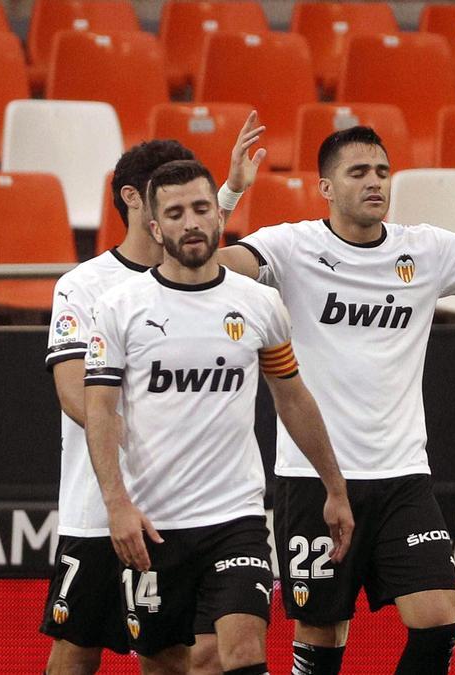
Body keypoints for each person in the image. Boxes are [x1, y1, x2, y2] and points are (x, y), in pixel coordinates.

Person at [215, 114, 455, 674]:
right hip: (312, 477)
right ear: (325, 188)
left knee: (438, 620)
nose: (375, 182)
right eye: (358, 173)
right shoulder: (290, 246)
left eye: (382, 171)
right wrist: (229, 194)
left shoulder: (424, 251)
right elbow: (204, 265)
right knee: (322, 637)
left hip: (402, 476)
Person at [83, 159, 354, 674]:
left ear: (219, 215)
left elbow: (292, 397)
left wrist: (335, 488)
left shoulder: (259, 303)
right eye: (177, 212)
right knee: (167, 665)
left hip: (237, 518)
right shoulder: (119, 306)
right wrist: (116, 504)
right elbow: (99, 409)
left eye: (202, 208)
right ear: (155, 225)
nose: (192, 222)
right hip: (155, 523)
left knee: (245, 655)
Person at [40, 116, 265, 675]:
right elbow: (74, 394)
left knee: (171, 654)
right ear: (134, 198)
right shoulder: (85, 286)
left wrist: (232, 189)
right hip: (100, 506)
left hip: (182, 510)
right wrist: (154, 421)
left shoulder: (202, 275)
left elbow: (199, 237)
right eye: (167, 198)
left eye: (198, 202)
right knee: (77, 651)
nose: (185, 212)